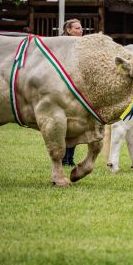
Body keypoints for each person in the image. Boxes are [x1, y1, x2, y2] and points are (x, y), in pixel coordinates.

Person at [60, 19, 83, 166]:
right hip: (63, 87)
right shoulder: (61, 45)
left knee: (75, 124)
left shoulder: (81, 47)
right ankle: (63, 158)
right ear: (68, 30)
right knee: (64, 123)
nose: (81, 30)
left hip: (78, 87)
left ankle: (70, 158)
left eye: (81, 28)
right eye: (77, 28)